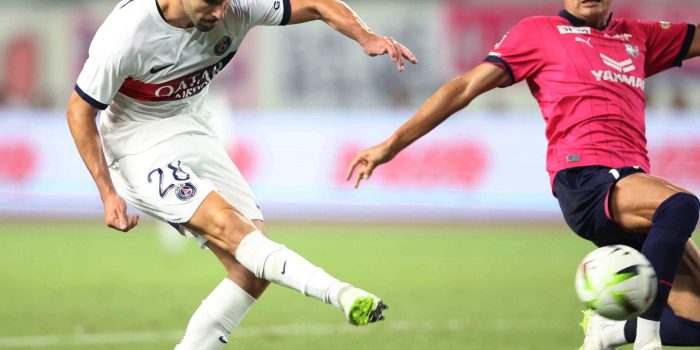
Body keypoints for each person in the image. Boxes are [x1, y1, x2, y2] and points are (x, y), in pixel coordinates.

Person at [346, 1, 700, 349]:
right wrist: (392, 143)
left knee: (693, 323)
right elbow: (464, 88)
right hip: (585, 179)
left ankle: (611, 332)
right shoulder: (538, 33)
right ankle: (647, 339)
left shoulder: (639, 36)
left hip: (632, 185)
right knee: (681, 205)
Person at [66, 0, 417, 348]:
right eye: (211, 3)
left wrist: (366, 37)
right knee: (232, 230)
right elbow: (80, 111)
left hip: (192, 125)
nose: (220, 14)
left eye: (224, 3)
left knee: (251, 268)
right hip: (137, 144)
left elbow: (317, 4)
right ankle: (341, 294)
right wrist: (107, 192)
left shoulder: (240, 6)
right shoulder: (126, 34)